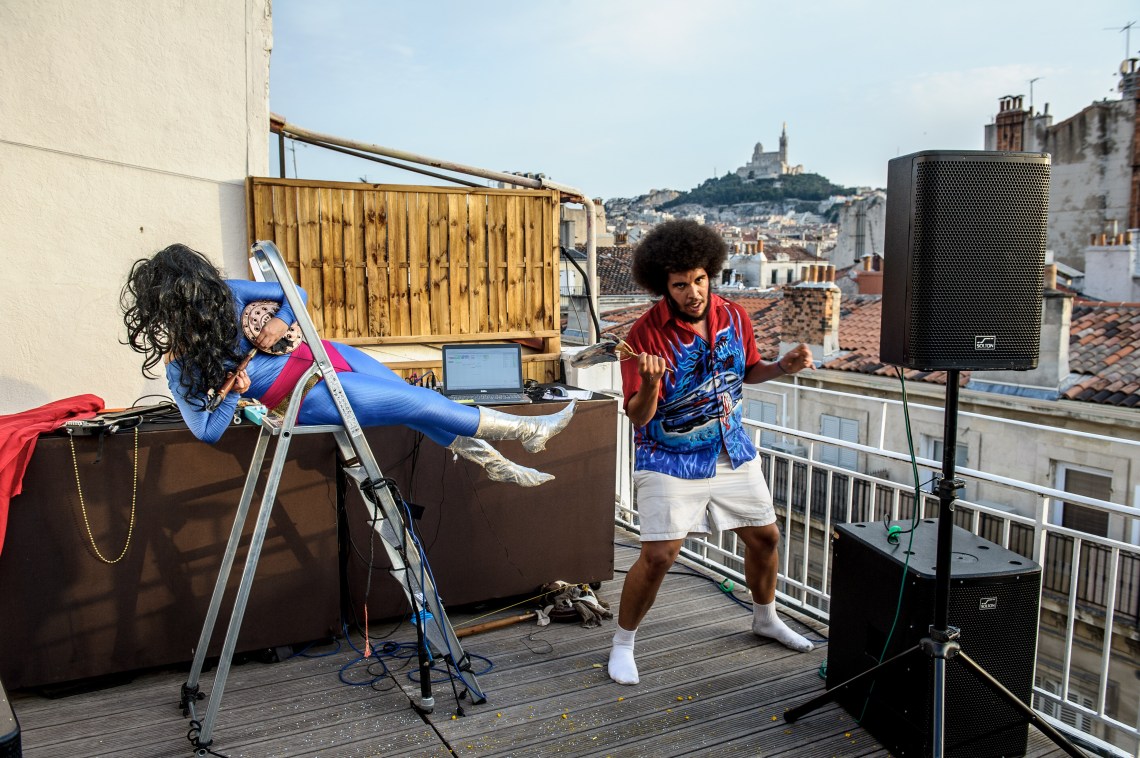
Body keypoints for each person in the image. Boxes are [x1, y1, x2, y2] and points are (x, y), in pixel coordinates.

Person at [120, 243, 575, 487]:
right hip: (302, 394)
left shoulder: (229, 294)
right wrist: (233, 395)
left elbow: (296, 293)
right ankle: (527, 430)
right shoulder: (181, 364)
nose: (209, 303)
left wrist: (280, 321)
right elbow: (206, 430)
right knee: (417, 402)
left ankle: (496, 465)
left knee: (416, 406)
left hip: (326, 353)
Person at [608, 219, 814, 686]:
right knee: (660, 555)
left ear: (710, 273)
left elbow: (749, 370)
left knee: (765, 537)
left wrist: (782, 367)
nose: (693, 292)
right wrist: (650, 382)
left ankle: (765, 619)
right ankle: (622, 644)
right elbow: (638, 416)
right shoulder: (643, 334)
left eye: (699, 280)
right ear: (663, 286)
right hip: (668, 455)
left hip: (731, 448)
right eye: (680, 285)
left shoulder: (735, 316)